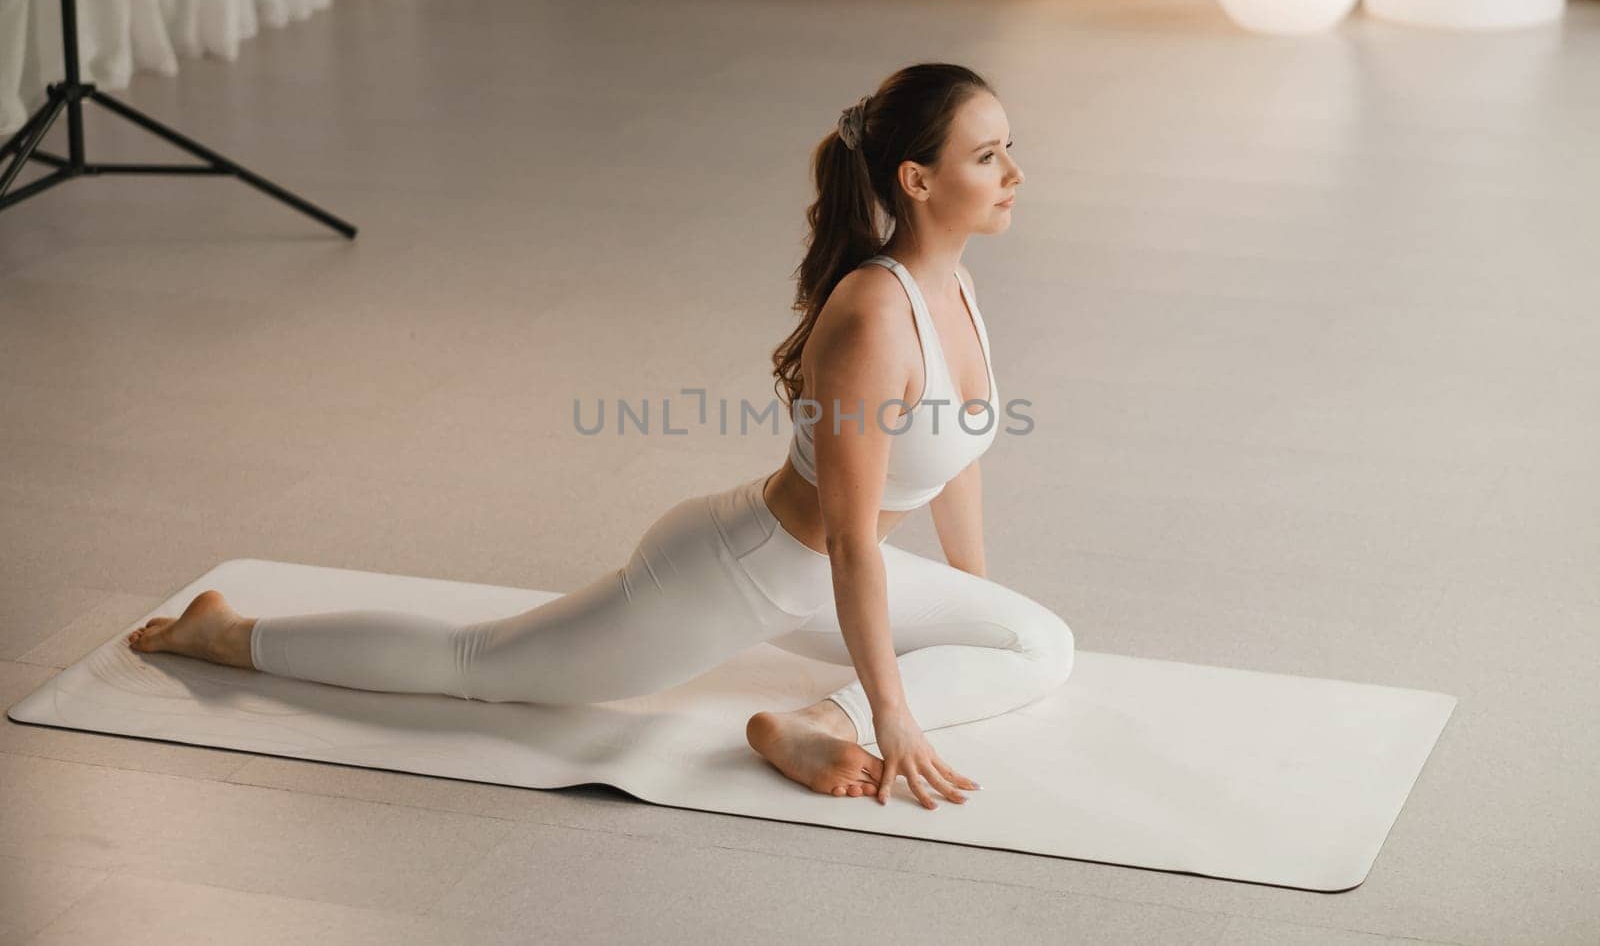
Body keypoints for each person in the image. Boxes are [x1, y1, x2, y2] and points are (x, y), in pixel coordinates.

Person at [127, 62, 1074, 812]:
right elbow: (852, 540)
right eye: (988, 155)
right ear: (918, 179)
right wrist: (899, 717)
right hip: (734, 571)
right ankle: (228, 635)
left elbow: (956, 461)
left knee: (1038, 643)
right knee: (478, 665)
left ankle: (811, 721)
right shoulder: (876, 313)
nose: (1015, 173)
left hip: (817, 576)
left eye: (1008, 149)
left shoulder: (956, 284)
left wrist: (968, 600)